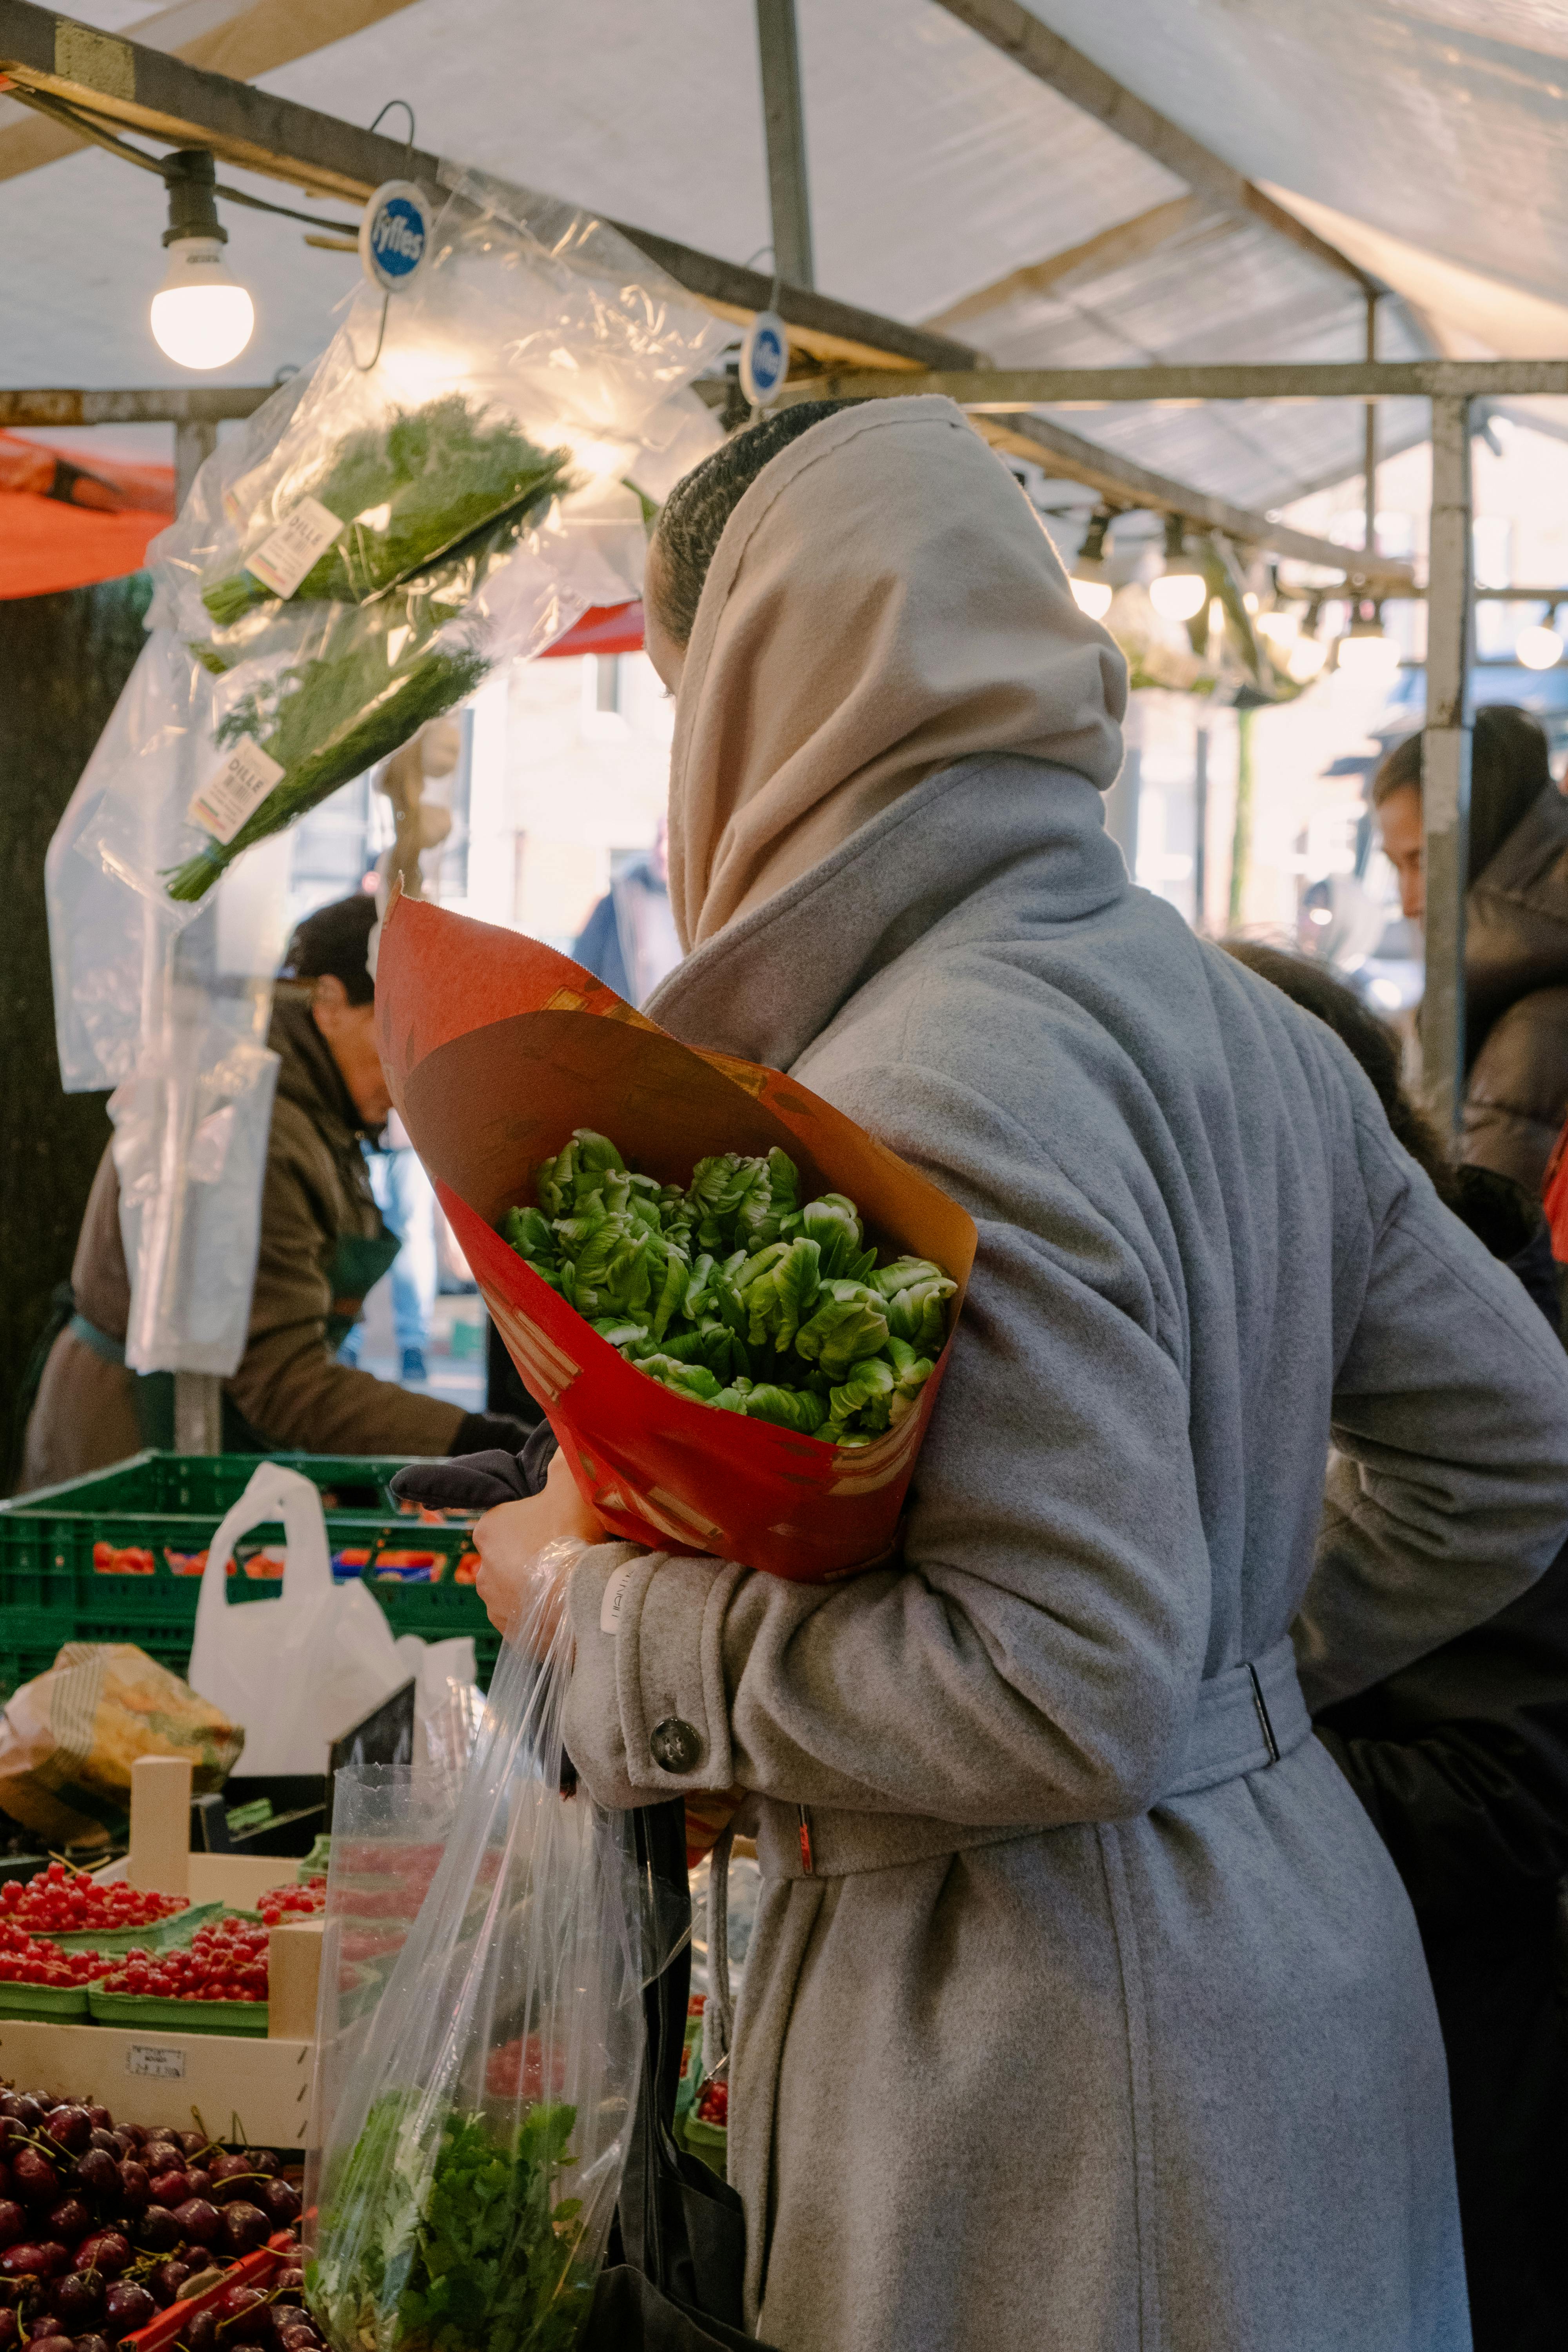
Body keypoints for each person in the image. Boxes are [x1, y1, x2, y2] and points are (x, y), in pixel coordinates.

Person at [439, 398, 1568, 2352]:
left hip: (1049, 2055)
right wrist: (1229, 1665)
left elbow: (1059, 1680)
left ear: (762, 683)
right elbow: (1508, 1450)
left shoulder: (923, 1074)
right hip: (1278, 1970)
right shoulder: (1225, 1012)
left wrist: (595, 1615)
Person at [1227, 939, 1568, 2352]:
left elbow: (1511, 1801)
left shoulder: (1487, 1386)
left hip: (1450, 2115)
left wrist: (1197, 1761)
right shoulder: (1311, 1341)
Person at [21, 893, 523, 1488]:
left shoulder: (315, 1106)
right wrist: (477, 1440)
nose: (409, 1070)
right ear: (330, 1003)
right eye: (396, 1034)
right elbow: (283, 1380)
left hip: (206, 1425)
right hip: (134, 1441)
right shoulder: (249, 1126)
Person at [1374, 704, 1568, 1192]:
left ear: (1477, 839)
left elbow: (1491, 1249)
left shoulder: (1532, 1028)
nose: (1408, 901)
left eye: (1422, 861)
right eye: (1396, 868)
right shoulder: (1521, 984)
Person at [572, 817, 682, 1005]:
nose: (663, 851)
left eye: (673, 839)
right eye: (659, 839)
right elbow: (579, 972)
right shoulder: (616, 903)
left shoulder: (707, 911)